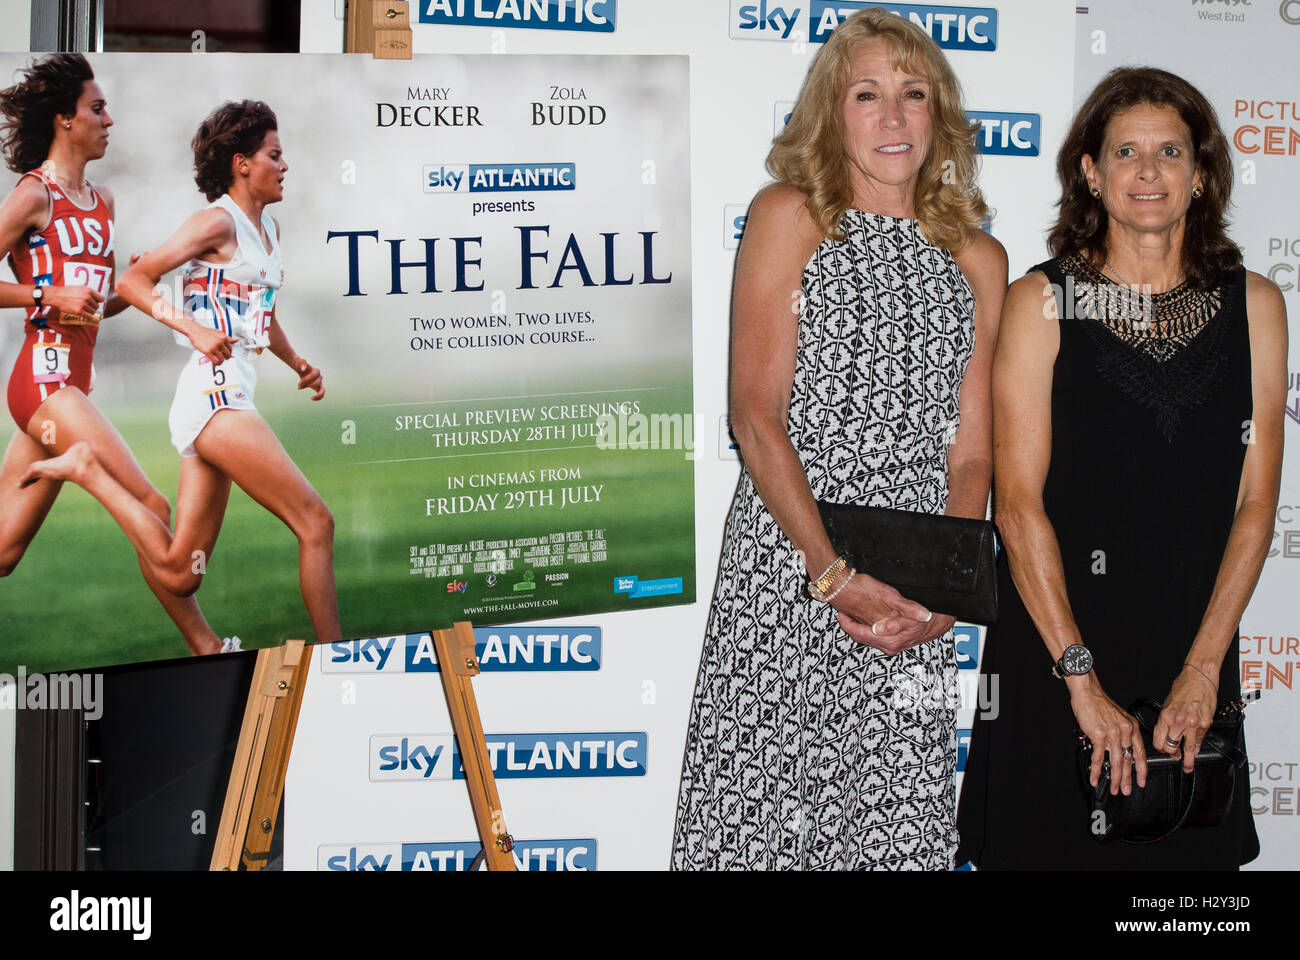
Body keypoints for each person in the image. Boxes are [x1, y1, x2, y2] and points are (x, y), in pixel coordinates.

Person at [671, 9, 1006, 870]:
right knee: (764, 827)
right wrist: (831, 573)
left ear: (940, 113)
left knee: (892, 830)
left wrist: (943, 594)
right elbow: (756, 416)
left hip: (909, 593)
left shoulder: (979, 258)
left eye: (912, 94)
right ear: (833, 110)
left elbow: (972, 451)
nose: (893, 118)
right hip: (791, 566)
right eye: (868, 94)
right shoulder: (791, 216)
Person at [956, 67, 1285, 869]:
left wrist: (1204, 670)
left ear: (1201, 174)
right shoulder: (1041, 305)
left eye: (1169, 151)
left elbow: (1255, 501)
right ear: (1091, 174)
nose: (1147, 172)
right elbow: (1020, 506)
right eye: (1125, 152)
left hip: (1193, 663)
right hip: (1056, 654)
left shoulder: (1257, 306)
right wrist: (1081, 682)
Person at [23, 100, 342, 649]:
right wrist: (192, 329)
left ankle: (87, 471)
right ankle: (340, 656)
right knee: (316, 523)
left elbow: (259, 311)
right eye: (275, 154)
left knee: (180, 570)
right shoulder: (214, 222)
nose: (285, 165)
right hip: (214, 396)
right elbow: (134, 282)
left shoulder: (269, 228)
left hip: (227, 392)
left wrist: (296, 363)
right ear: (242, 163)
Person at [0, 53, 229, 655]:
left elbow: (92, 307)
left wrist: (126, 293)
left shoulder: (102, 202)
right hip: (44, 380)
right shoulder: (32, 195)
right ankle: (207, 648)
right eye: (97, 109)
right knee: (152, 504)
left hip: (71, 385)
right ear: (63, 120)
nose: (109, 119)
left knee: (2, 552)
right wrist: (45, 292)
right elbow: (56, 299)